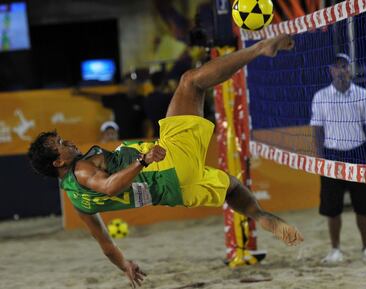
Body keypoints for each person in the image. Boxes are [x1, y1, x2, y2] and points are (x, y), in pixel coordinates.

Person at [28, 34, 303, 288]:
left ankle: (270, 222)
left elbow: (105, 244)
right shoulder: (82, 170)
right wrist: (142, 161)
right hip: (164, 163)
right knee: (190, 81)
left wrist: (125, 265)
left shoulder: (77, 201)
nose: (70, 143)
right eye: (62, 145)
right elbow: (110, 186)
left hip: (177, 190)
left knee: (232, 189)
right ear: (57, 163)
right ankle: (259, 49)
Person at [310, 53, 366, 263]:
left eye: (344, 66)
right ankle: (335, 250)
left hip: (358, 153)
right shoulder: (321, 96)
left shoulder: (363, 94)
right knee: (332, 209)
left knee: (364, 207)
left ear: (349, 69)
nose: (341, 70)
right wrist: (321, 159)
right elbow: (317, 130)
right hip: (332, 155)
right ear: (331, 70)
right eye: (337, 66)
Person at [73, 75, 149, 140]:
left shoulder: (143, 100)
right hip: (121, 141)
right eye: (127, 84)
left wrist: (145, 138)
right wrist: (81, 93)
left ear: (137, 85)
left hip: (138, 140)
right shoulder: (118, 99)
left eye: (132, 84)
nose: (130, 87)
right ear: (124, 86)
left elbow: (146, 122)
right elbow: (99, 97)